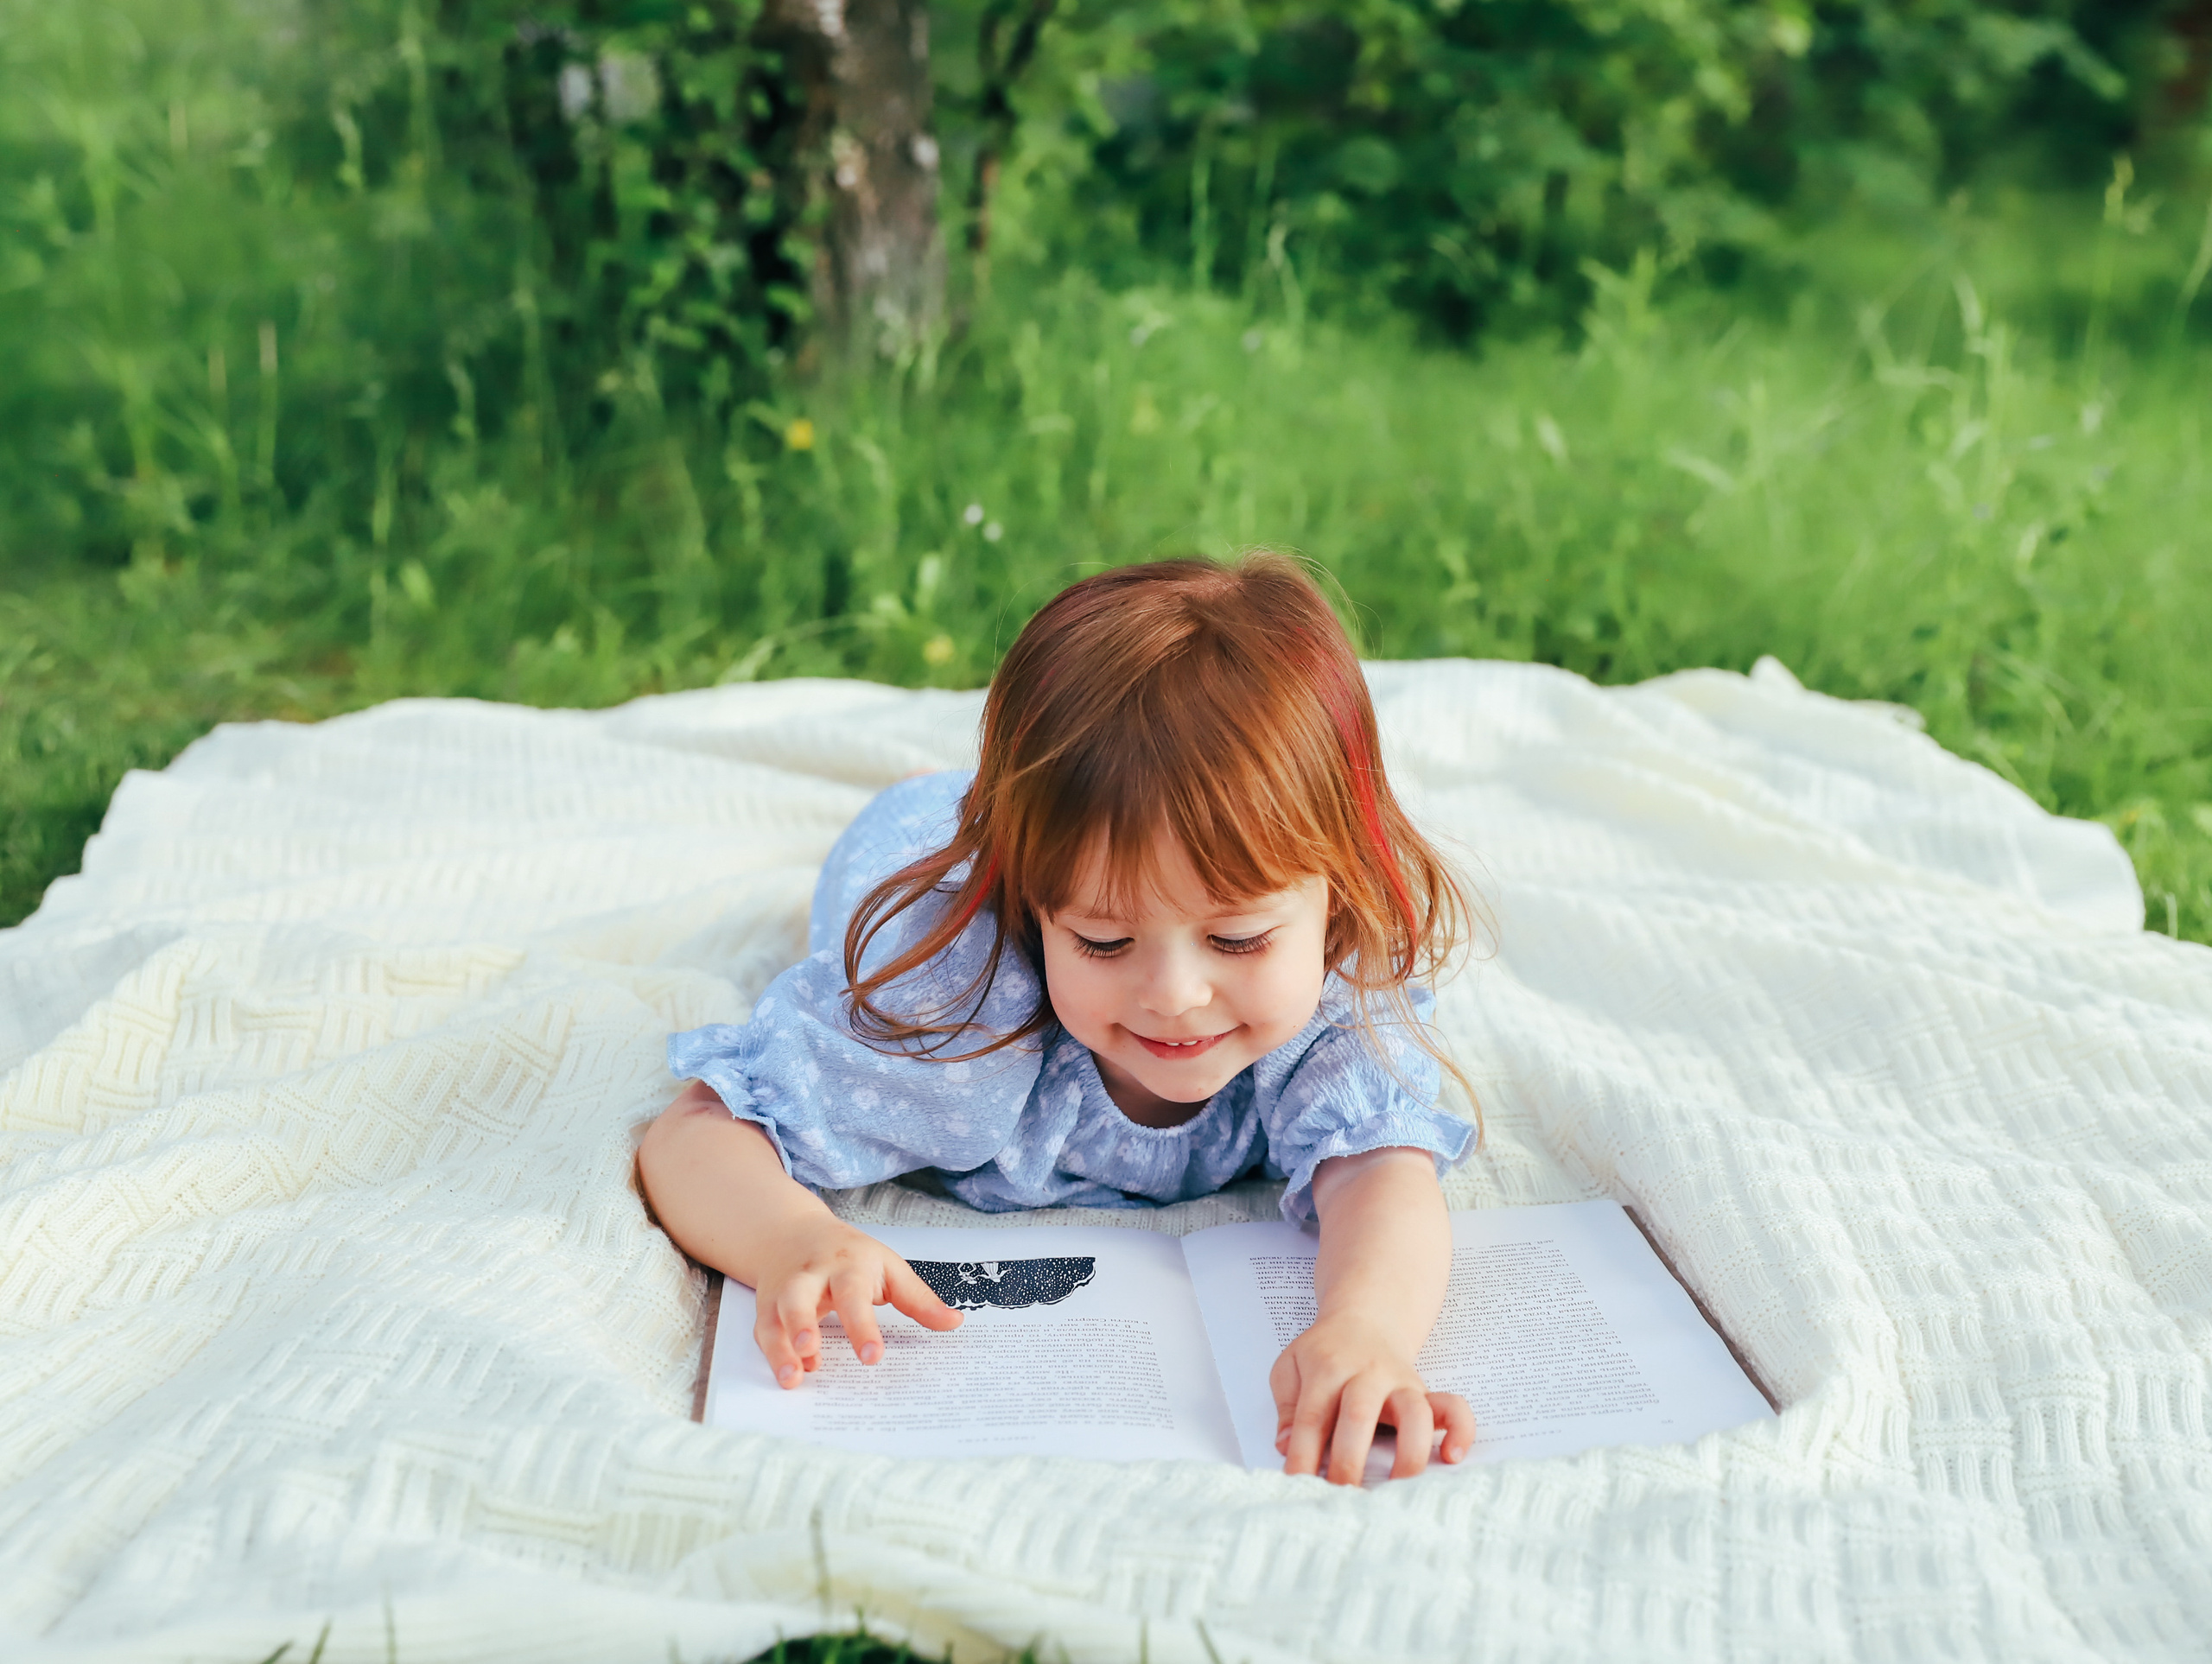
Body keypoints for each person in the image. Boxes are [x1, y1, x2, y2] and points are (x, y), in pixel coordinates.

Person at [639, 553, 1481, 1484]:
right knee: (926, 823)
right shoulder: (954, 1015)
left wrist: (1362, 1329)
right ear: (1033, 912)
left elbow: (1385, 1176)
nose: (1173, 995)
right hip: (909, 847)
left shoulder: (1336, 993)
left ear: (1339, 895)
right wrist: (791, 1238)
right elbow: (697, 1130)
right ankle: (952, 801)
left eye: (1236, 939)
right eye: (1104, 942)